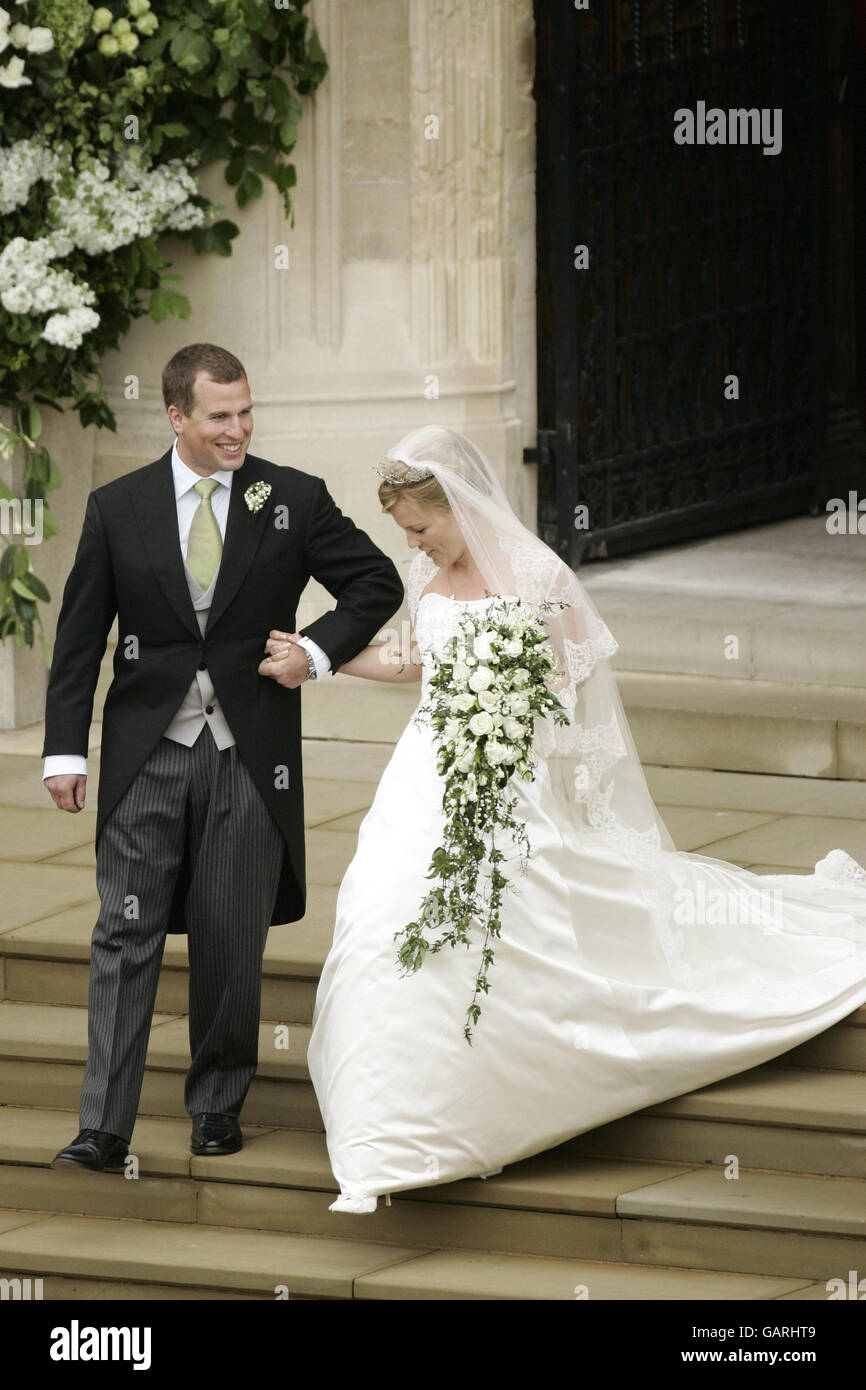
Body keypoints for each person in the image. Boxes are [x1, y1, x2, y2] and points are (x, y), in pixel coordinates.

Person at [262, 424, 866, 1214]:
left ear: (461, 504)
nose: (417, 544)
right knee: (385, 908)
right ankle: (387, 1131)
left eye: (422, 527)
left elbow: (579, 690)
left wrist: (538, 757)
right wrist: (315, 658)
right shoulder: (429, 573)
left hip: (512, 775)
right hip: (424, 774)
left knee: (508, 917)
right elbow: (415, 660)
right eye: (406, 533)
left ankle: (467, 1111)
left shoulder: (539, 573)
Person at [42, 341, 404, 1172]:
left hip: (250, 759)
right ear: (178, 417)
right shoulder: (117, 506)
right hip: (146, 757)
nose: (238, 429)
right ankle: (103, 1126)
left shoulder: (295, 499)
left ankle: (215, 1104)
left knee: (231, 935)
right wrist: (65, 750)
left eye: (246, 413)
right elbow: (78, 641)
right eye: (219, 416)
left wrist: (311, 653)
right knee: (122, 935)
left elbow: (375, 583)